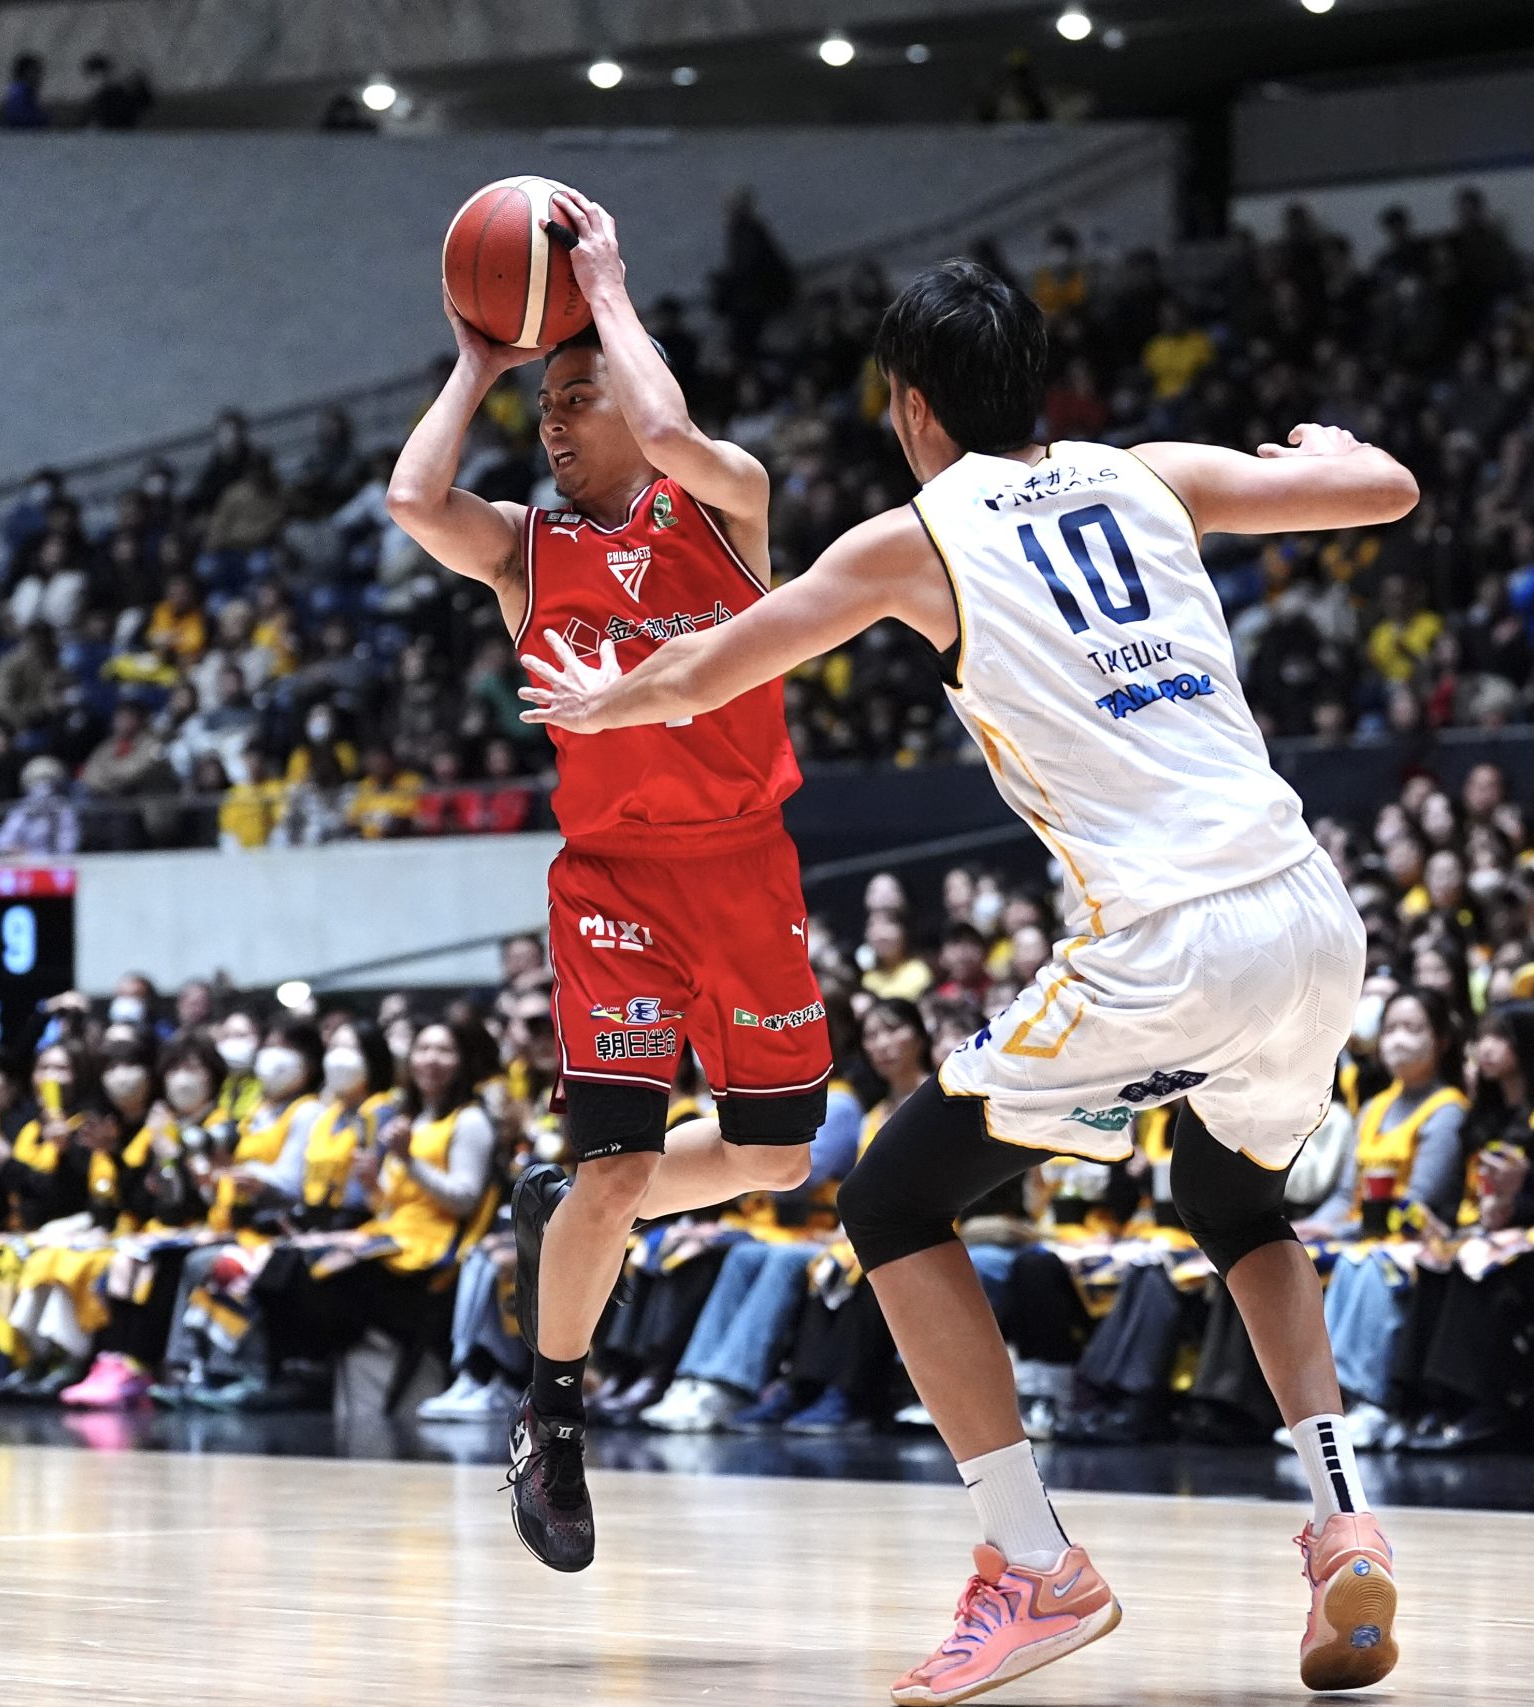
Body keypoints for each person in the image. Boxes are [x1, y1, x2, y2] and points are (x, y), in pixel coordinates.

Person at [522, 260, 1418, 1700]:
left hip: (1168, 935)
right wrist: (1326, 447)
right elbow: (1385, 489)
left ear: (913, 407)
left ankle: (1032, 1563)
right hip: (1313, 913)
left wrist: (599, 698)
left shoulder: (911, 538)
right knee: (1237, 1203)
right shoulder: (1151, 471)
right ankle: (1341, 1520)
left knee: (889, 1199)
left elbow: (705, 672)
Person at [390, 191, 831, 1572]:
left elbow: (681, 437)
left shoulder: (728, 505)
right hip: (614, 886)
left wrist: (612, 299)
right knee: (620, 1160)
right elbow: (411, 500)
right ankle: (554, 1411)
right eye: (548, 408)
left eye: (579, 399)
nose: (557, 424)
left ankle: (574, 1206)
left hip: (746, 864)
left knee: (775, 1156)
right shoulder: (529, 549)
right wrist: (480, 361)